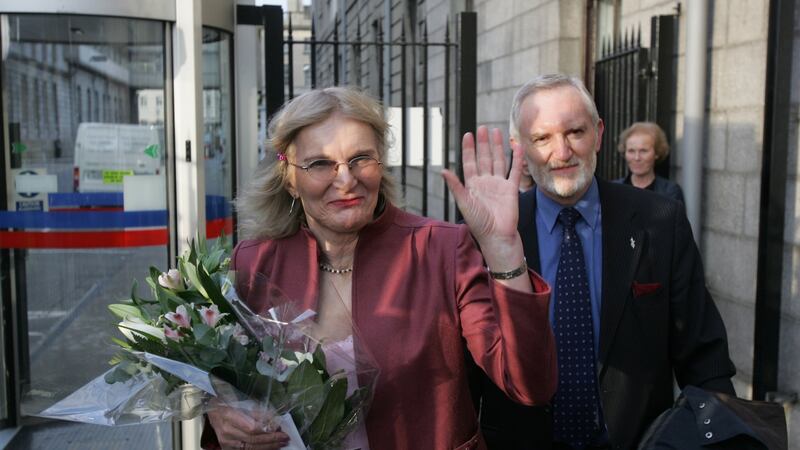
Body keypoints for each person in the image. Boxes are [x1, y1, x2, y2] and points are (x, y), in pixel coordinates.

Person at [202, 87, 557, 450]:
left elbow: (529, 384)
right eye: (320, 163)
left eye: (361, 158)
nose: (346, 179)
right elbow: (226, 377)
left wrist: (504, 251)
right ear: (290, 178)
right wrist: (217, 407)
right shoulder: (253, 262)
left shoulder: (442, 250)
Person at [471, 74, 736, 450]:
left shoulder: (660, 221)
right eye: (542, 138)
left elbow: (704, 356)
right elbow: (464, 371)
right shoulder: (487, 233)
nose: (561, 153)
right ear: (519, 148)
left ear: (598, 132)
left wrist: (719, 438)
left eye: (575, 132)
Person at [615, 121, 684, 204]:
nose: (637, 158)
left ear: (657, 153)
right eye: (631, 151)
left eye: (643, 151)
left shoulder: (670, 192)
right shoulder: (615, 189)